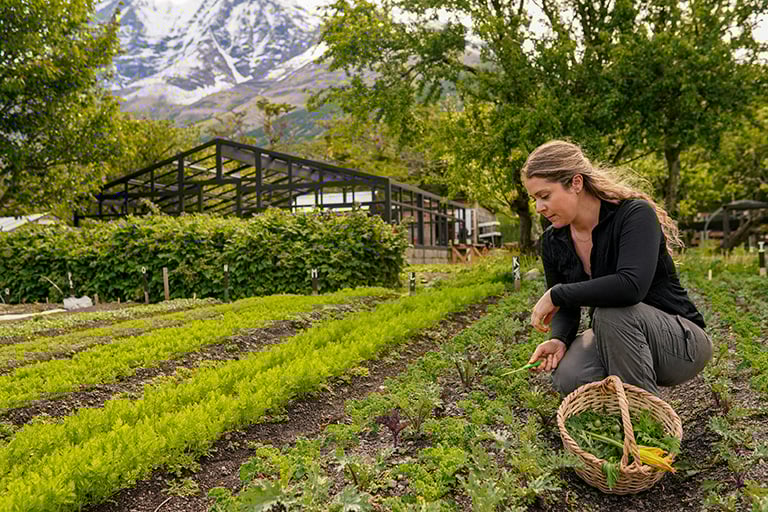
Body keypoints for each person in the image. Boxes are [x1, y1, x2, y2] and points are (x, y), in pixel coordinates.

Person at [522, 140, 712, 396]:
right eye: (535, 199)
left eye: (545, 196)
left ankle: (646, 425)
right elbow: (566, 310)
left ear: (576, 183)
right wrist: (559, 338)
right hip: (620, 339)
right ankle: (616, 414)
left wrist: (557, 293)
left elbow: (630, 287)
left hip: (680, 343)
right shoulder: (553, 240)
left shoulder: (634, 215)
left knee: (611, 314)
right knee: (570, 374)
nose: (539, 207)